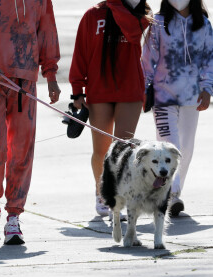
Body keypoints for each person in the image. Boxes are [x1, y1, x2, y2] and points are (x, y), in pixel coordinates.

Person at [0, 0, 61, 245]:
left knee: (21, 149)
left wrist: (50, 74)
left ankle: (14, 217)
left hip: (24, 79)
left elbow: (47, 30)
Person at [69, 0, 151, 217]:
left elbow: (133, 34)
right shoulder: (92, 16)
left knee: (122, 150)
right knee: (101, 150)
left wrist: (116, 4)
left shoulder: (140, 14)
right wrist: (77, 89)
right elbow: (81, 52)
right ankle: (102, 194)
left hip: (130, 90)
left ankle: (117, 197)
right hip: (100, 90)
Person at [142, 0, 213, 216]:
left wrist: (207, 88)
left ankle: (171, 193)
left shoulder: (204, 25)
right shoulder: (158, 22)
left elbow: (210, 59)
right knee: (170, 146)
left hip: (192, 97)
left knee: (186, 150)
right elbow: (147, 58)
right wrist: (145, 88)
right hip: (163, 97)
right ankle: (171, 195)